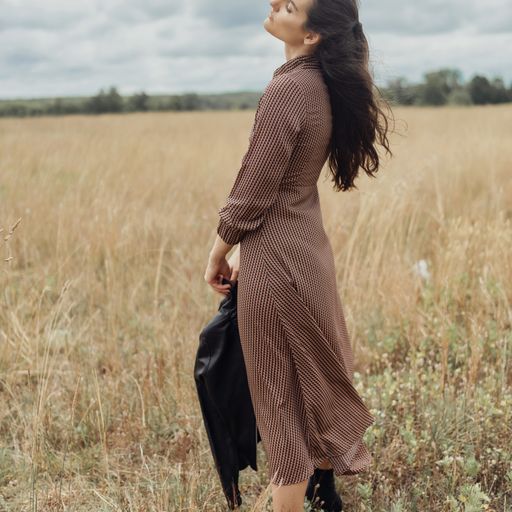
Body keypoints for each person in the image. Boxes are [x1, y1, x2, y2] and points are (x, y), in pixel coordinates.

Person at [204, 0, 393, 510]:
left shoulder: (289, 88)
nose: (274, 3)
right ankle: (324, 498)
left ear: (311, 36)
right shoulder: (317, 85)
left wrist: (220, 250)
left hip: (279, 269)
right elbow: (288, 189)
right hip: (304, 255)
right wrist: (250, 252)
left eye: (289, 4)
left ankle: (298, 497)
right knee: (311, 385)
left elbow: (253, 189)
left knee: (281, 411)